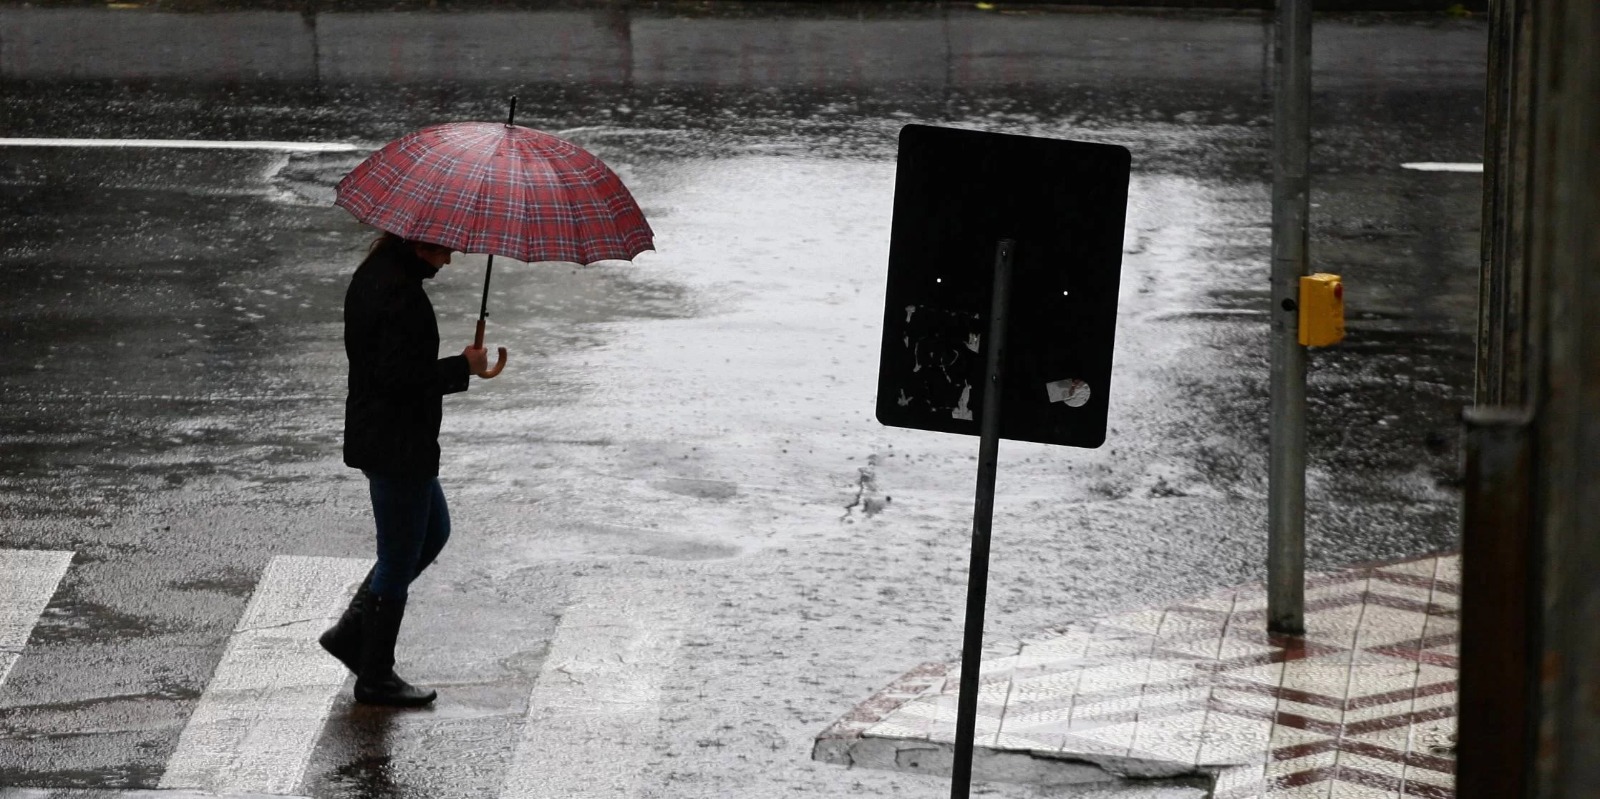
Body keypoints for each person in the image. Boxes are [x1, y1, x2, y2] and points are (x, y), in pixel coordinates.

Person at [319, 231, 501, 707]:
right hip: (396, 442)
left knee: (432, 532)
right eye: (444, 250)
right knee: (399, 559)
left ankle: (352, 632)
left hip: (394, 437)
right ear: (419, 244)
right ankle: (376, 675)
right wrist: (463, 367)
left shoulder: (379, 275)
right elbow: (398, 379)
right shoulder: (398, 296)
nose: (449, 260)